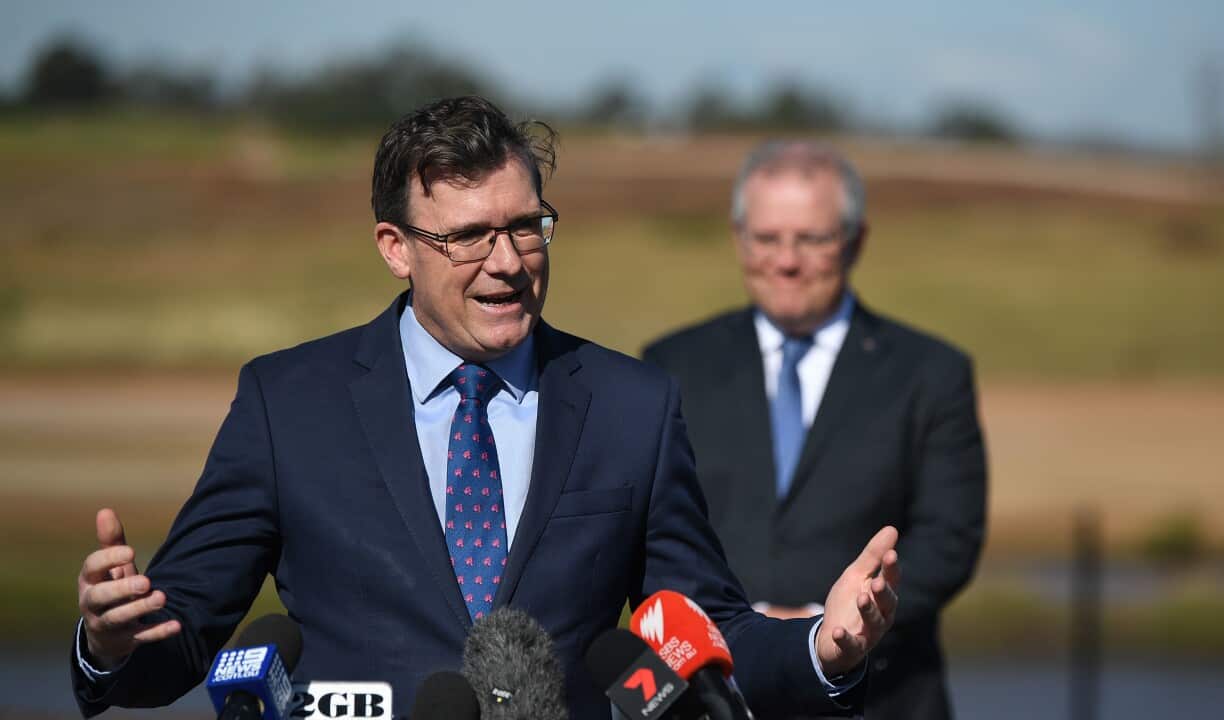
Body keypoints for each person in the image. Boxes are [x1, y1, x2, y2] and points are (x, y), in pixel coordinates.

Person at [71, 98, 901, 720]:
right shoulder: (288, 402)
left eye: (527, 227)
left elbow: (702, 631)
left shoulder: (630, 406)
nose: (507, 263)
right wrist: (109, 643)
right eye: (468, 236)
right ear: (395, 248)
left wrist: (821, 648)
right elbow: (173, 645)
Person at [642, 141, 986, 720]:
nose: (787, 260)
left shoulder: (930, 373)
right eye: (767, 238)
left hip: (883, 696)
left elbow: (949, 539)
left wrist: (827, 625)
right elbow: (652, 531)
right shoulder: (671, 366)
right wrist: (745, 632)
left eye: (811, 239)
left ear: (855, 241)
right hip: (711, 696)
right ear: (738, 238)